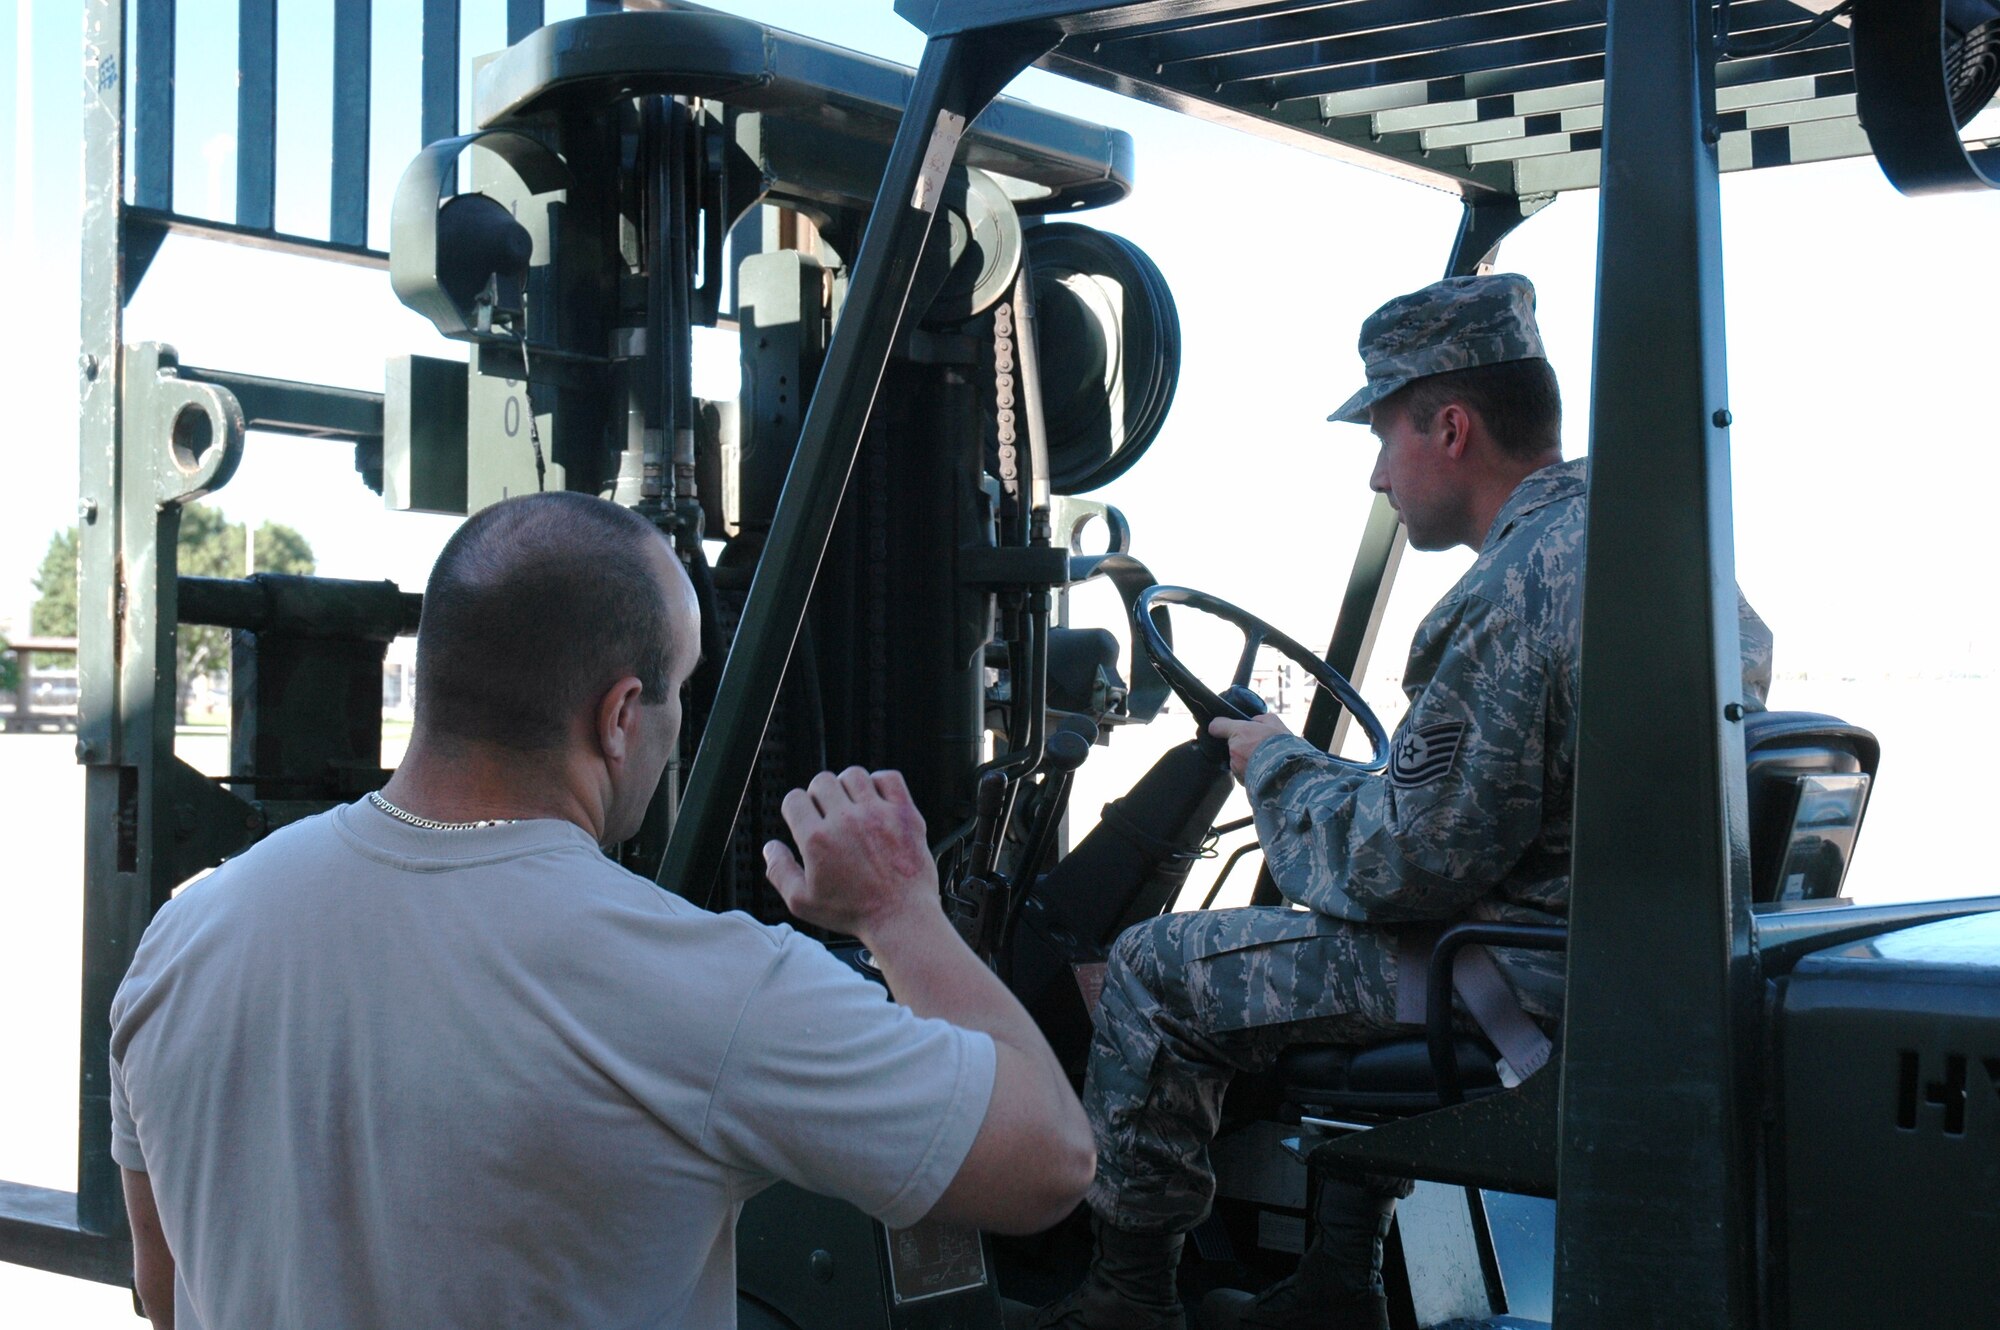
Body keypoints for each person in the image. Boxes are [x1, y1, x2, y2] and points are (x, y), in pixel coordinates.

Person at [109, 491, 1094, 1329]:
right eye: (678, 697)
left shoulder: (184, 940)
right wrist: (898, 913)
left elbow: (161, 1287)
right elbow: (1047, 1161)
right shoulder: (702, 987)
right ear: (620, 716)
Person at [1031, 274, 1773, 1330]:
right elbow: (1465, 810)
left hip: (1512, 978)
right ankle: (1336, 1281)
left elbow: (1400, 866)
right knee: (1326, 923)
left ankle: (1129, 1297)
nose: (1379, 475)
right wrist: (1305, 772)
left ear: (1451, 427)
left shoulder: (1512, 593)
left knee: (1155, 964)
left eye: (1385, 437)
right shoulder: (1654, 545)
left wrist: (1275, 766)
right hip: (1598, 955)